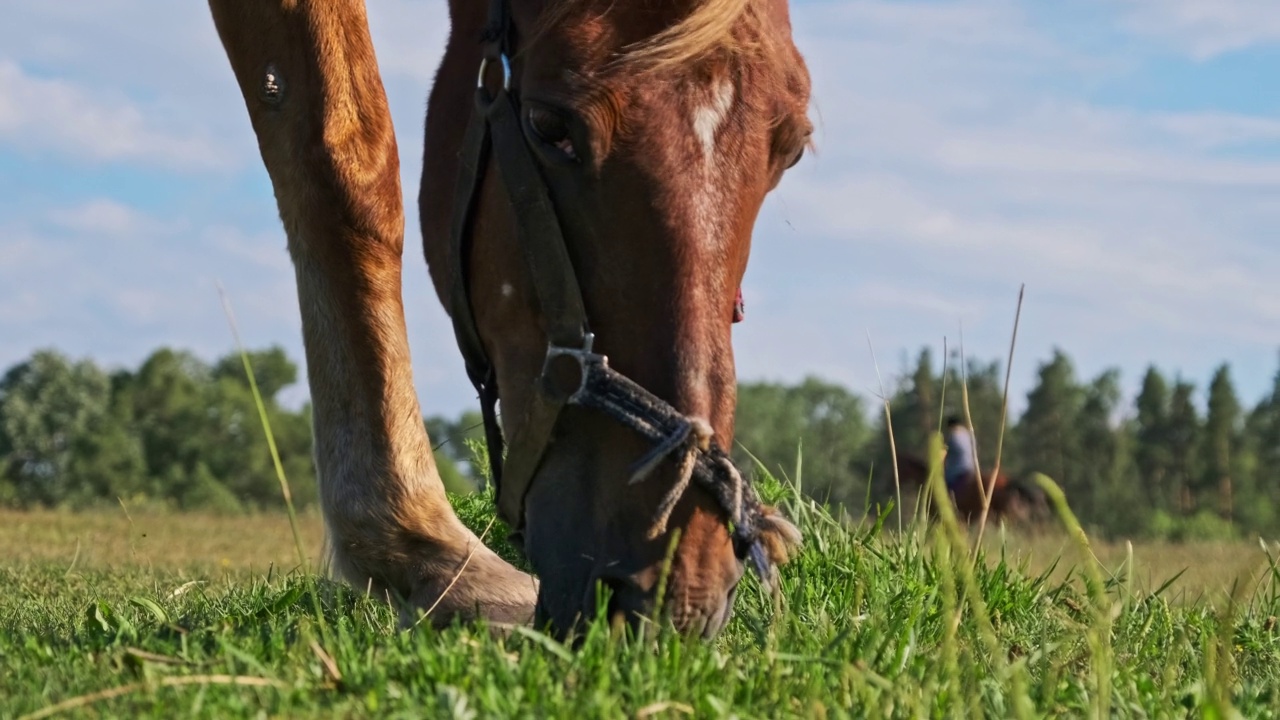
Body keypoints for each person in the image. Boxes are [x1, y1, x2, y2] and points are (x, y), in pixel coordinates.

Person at [943, 415, 976, 494]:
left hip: (958, 469)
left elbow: (947, 453)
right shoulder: (968, 434)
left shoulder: (954, 436)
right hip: (971, 468)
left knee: (944, 483)